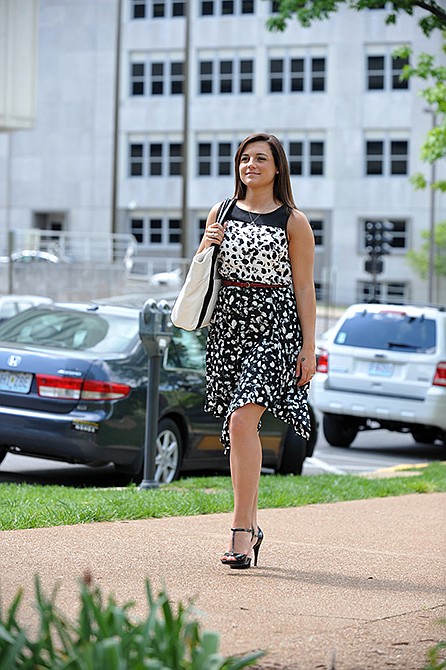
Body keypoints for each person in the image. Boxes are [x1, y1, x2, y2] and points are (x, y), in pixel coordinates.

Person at [196, 132, 316, 569]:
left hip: (275, 325)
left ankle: (240, 531)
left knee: (242, 417)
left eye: (260, 158)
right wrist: (206, 243)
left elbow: (303, 286)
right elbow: (203, 273)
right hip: (230, 325)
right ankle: (252, 525)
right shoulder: (221, 211)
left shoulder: (293, 221)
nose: (251, 165)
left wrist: (309, 344)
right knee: (236, 426)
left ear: (277, 167)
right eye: (245, 158)